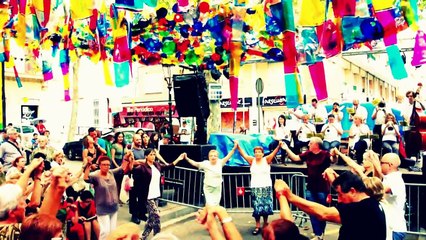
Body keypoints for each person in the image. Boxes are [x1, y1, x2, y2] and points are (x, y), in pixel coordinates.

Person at [279, 170, 387, 240]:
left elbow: (323, 213)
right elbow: (345, 188)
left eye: (340, 194)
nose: (338, 200)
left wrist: (289, 196)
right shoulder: (370, 202)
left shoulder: (363, 209)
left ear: (353, 191)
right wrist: (332, 178)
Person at [281, 137, 337, 240]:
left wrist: (334, 154)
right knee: (312, 211)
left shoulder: (324, 154)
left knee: (322, 212)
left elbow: (333, 160)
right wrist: (286, 148)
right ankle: (318, 234)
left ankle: (321, 232)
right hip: (310, 187)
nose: (308, 145)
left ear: (316, 144)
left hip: (322, 188)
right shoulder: (308, 154)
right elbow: (295, 158)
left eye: (310, 143)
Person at [132, 148, 184, 239]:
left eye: (154, 154)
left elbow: (169, 166)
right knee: (156, 216)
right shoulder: (142, 167)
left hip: (156, 194)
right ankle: (158, 236)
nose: (153, 156)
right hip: (148, 196)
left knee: (151, 219)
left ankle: (143, 236)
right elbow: (134, 176)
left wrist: (178, 159)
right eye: (151, 154)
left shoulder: (157, 165)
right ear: (146, 156)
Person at [236, 141, 282, 235]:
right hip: (255, 187)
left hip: (265, 187)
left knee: (266, 207)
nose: (257, 153)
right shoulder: (251, 160)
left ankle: (265, 223)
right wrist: (238, 146)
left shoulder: (267, 160)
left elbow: (274, 152)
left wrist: (279, 146)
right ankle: (257, 225)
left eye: (259, 152)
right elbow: (243, 154)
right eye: (256, 152)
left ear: (262, 153)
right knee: (257, 208)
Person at [83, 153, 132, 240]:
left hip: (113, 207)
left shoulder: (111, 173)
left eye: (108, 165)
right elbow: (86, 178)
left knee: (113, 231)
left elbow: (122, 168)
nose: (106, 166)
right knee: (105, 231)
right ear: (100, 165)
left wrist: (127, 158)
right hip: (102, 208)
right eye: (104, 164)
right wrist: (88, 166)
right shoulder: (96, 176)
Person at [377, 153, 407, 240]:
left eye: (382, 163)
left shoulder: (396, 180)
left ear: (390, 165)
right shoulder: (389, 178)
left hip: (394, 229)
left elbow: (378, 191)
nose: (380, 165)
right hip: (390, 227)